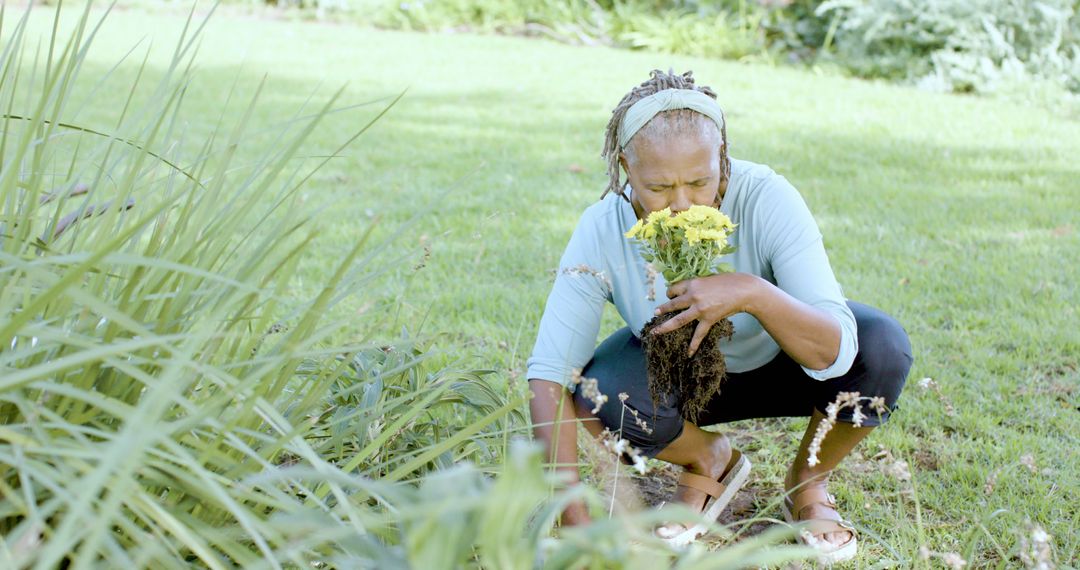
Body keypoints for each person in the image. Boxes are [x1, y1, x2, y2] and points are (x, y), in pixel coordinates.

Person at [526, 69, 913, 563]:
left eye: (699, 181)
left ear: (722, 157)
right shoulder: (603, 227)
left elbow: (833, 352)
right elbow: (550, 376)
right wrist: (573, 518)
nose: (682, 204)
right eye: (659, 187)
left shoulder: (767, 197)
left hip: (784, 366)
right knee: (601, 395)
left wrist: (752, 293)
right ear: (626, 165)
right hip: (683, 377)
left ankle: (807, 483)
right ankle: (708, 458)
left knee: (881, 348)